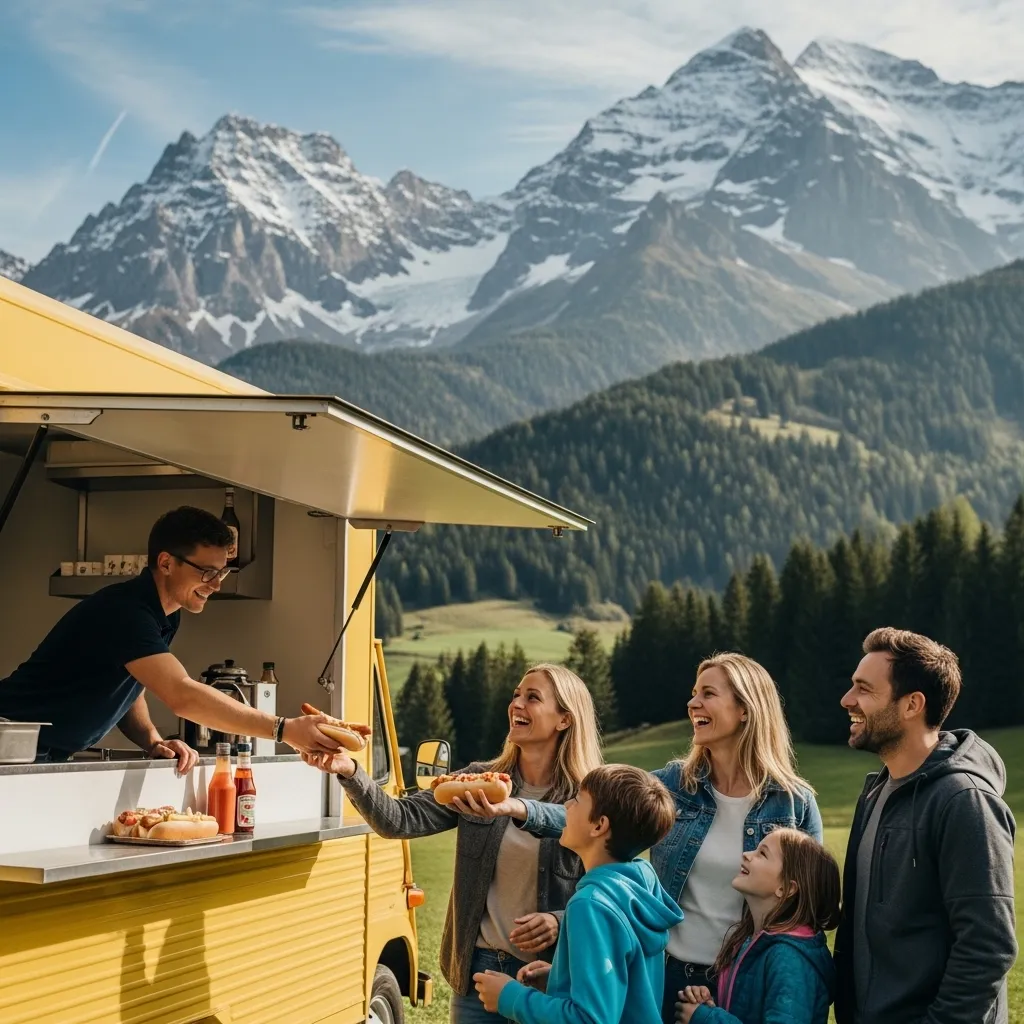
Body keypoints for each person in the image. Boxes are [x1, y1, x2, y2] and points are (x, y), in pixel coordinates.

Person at [461, 652, 822, 1024]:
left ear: (746, 709)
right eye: (694, 692)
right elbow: (603, 812)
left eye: (708, 694)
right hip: (662, 973)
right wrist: (521, 809)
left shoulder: (794, 802)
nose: (692, 702)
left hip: (740, 977)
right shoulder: (672, 785)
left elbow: (807, 906)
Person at [301, 663, 603, 1023]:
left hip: (552, 972)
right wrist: (349, 770)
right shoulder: (478, 780)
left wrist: (561, 920)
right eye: (516, 695)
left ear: (565, 720)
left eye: (533, 697)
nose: (517, 704)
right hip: (479, 969)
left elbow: (613, 885)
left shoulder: (589, 797)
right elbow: (398, 819)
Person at [0, 506, 341, 767]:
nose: (217, 583)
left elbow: (130, 682)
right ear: (165, 563)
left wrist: (151, 740)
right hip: (11, 747)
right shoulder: (126, 612)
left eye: (222, 571)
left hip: (42, 752)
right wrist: (284, 729)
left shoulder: (167, 613)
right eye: (208, 571)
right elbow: (182, 696)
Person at [834, 627, 1017, 1024]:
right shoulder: (876, 792)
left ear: (912, 704)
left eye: (864, 689)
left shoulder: (965, 802)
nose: (847, 700)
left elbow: (988, 946)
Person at [473, 763, 683, 1024]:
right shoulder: (640, 883)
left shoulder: (591, 905)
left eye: (577, 800)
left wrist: (510, 997)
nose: (567, 807)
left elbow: (589, 1019)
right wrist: (563, 976)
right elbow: (624, 982)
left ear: (599, 826)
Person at [675, 828, 840, 1024]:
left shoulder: (789, 959)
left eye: (762, 853)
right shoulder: (754, 939)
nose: (746, 854)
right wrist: (709, 1004)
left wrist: (706, 1019)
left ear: (786, 888)